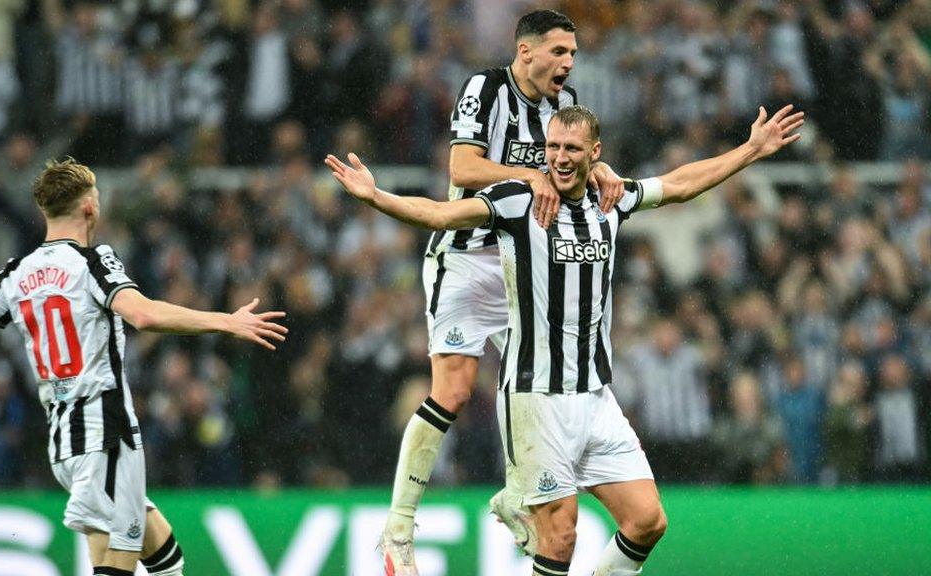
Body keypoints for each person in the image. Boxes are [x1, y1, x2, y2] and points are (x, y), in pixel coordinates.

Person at [327, 103, 803, 576]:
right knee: (561, 537)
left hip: (595, 396)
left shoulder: (611, 199)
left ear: (594, 152)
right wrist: (377, 197)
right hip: (536, 397)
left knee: (647, 521)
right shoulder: (519, 201)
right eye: (552, 146)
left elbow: (679, 184)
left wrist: (750, 150)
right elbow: (441, 215)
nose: (558, 157)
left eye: (571, 148)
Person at [0, 158, 288, 576]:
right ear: (89, 206)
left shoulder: (14, 274)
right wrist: (225, 321)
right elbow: (142, 315)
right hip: (103, 431)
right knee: (116, 568)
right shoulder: (92, 262)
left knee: (167, 564)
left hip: (64, 440)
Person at [380, 10, 624, 573]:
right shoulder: (485, 88)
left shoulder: (564, 106)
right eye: (559, 51)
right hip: (466, 259)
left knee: (539, 382)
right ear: (526, 51)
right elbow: (462, 166)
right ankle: (398, 531)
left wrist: (602, 168)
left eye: (573, 53)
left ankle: (518, 495)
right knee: (455, 391)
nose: (568, 62)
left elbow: (572, 156)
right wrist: (529, 178)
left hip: (523, 263)